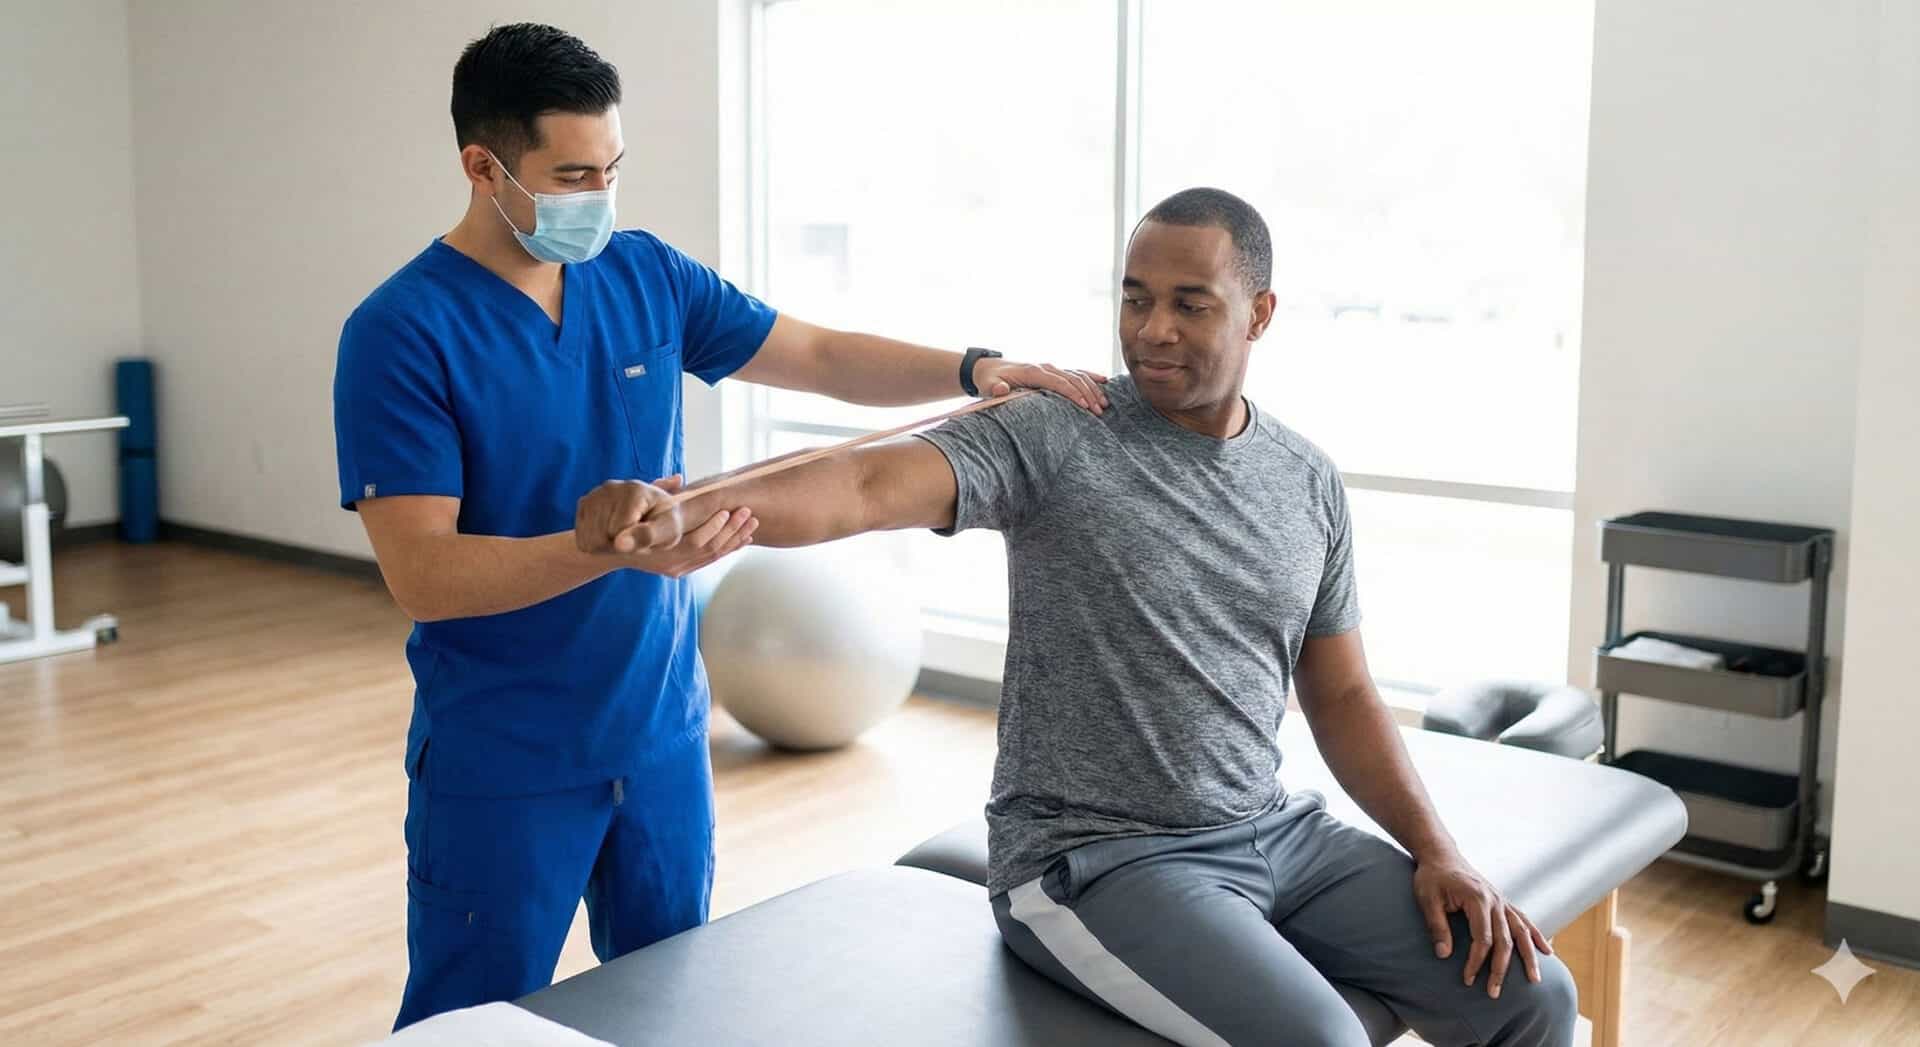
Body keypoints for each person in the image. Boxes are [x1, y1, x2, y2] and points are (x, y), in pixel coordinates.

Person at [578, 188, 1579, 1047]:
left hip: (1273, 833)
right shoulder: (1063, 429)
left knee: (1531, 995)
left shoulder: (1305, 478)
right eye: (1136, 299)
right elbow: (860, 484)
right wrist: (687, 514)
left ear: (1261, 313)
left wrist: (1438, 851)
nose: (1152, 331)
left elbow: (1344, 688)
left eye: (1192, 304)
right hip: (1094, 861)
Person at [333, 23, 1107, 1030]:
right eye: (571, 175)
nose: (598, 199)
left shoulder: (643, 272)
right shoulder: (401, 332)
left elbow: (820, 355)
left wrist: (973, 370)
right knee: (474, 1026)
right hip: (505, 762)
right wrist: (596, 548)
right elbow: (426, 577)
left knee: (668, 1006)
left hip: (658, 737)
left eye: (610, 169)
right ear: (483, 167)